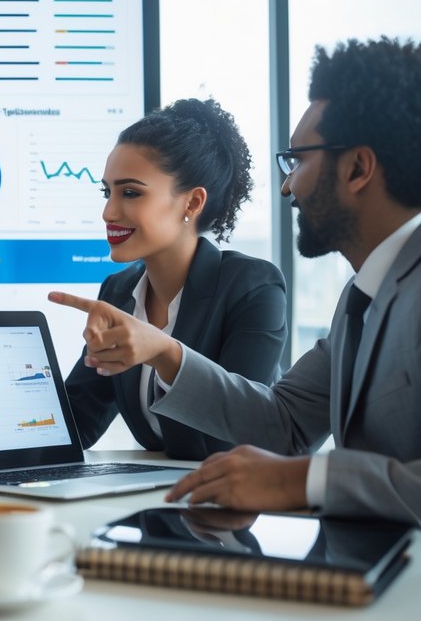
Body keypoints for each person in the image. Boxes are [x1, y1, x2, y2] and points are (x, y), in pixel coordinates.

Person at [55, 37, 421, 525]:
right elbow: (284, 424)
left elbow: (281, 450)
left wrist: (302, 481)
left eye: (298, 161)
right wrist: (164, 352)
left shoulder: (263, 285)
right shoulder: (360, 299)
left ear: (357, 168)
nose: (288, 186)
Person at [61, 98, 287, 460]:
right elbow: (77, 420)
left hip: (238, 491)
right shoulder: (119, 291)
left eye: (130, 192)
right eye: (107, 192)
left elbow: (230, 439)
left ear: (192, 203)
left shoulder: (252, 288)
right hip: (159, 491)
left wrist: (163, 354)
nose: (108, 212)